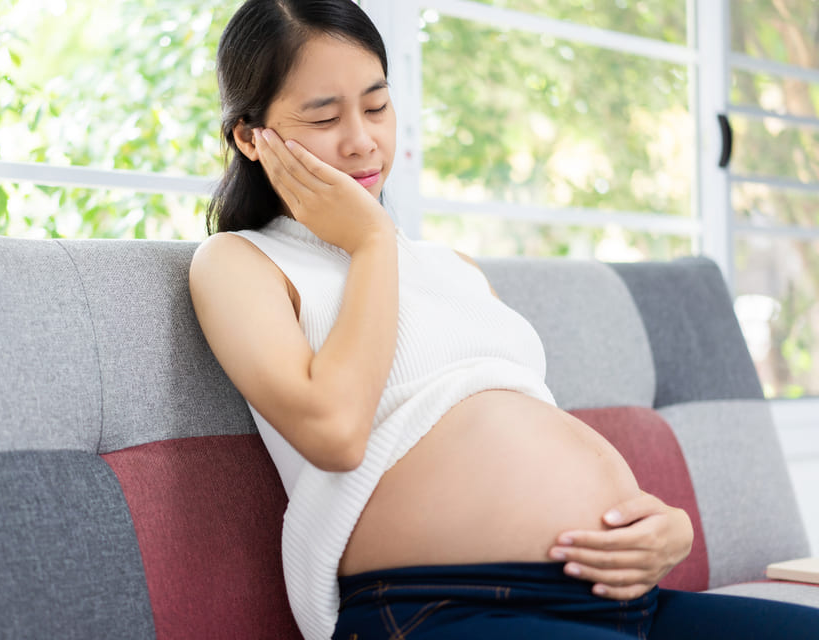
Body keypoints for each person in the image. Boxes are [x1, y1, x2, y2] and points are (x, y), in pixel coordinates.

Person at [189, 1, 819, 638]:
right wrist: (372, 243)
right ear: (249, 135)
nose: (362, 139)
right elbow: (337, 432)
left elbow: (522, 427)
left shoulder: (453, 265)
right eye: (325, 116)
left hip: (625, 599)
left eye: (377, 106)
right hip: (444, 604)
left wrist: (665, 524)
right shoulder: (242, 263)